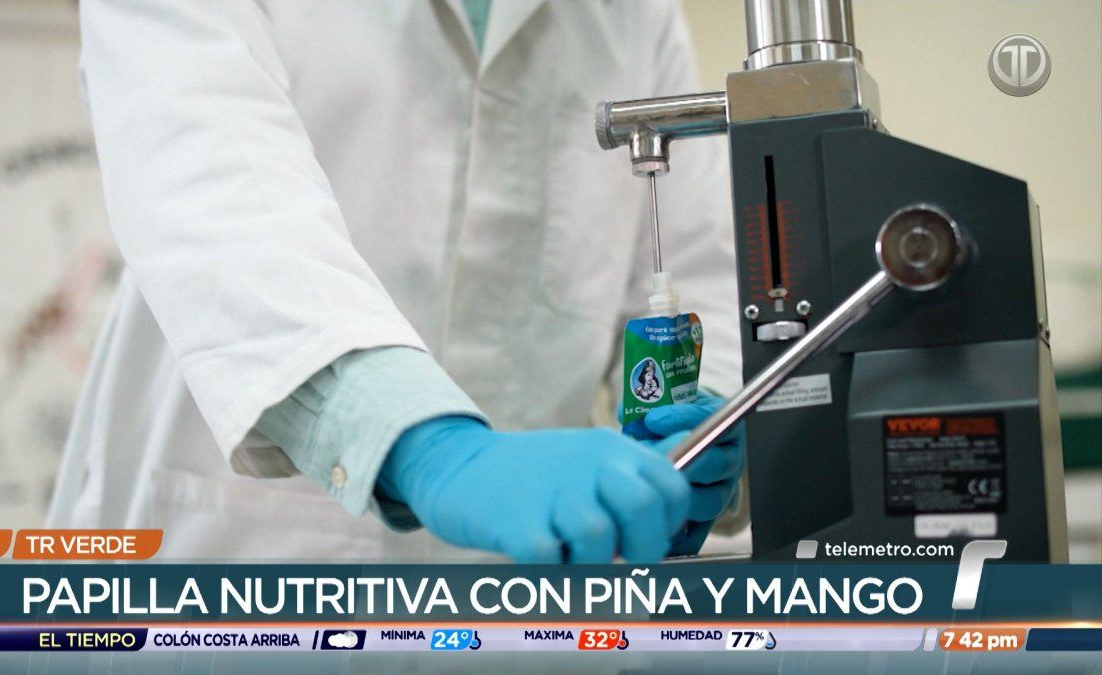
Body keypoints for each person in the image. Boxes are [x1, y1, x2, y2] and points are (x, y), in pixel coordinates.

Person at [49, 0, 744, 562]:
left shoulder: (637, 14)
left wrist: (709, 420)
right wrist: (434, 450)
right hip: (227, 565)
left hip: (525, 597)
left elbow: (702, 265)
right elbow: (212, 190)